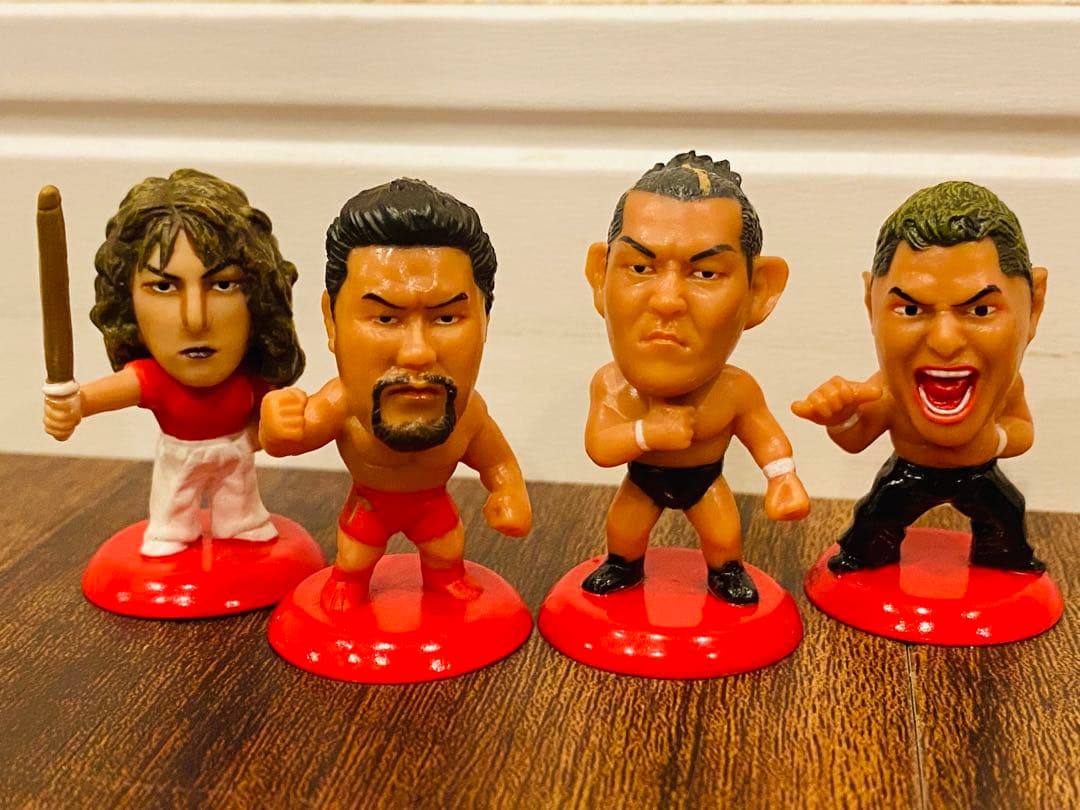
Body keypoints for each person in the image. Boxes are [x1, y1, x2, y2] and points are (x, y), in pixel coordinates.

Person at [259, 177, 531, 612]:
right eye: (386, 319)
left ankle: (446, 579)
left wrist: (509, 493)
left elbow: (497, 462)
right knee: (355, 555)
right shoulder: (342, 404)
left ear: (485, 320)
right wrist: (278, 423)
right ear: (331, 320)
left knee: (446, 549)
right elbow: (291, 439)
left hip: (433, 505)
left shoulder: (469, 415)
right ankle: (349, 582)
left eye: (446, 318)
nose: (417, 353)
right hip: (370, 504)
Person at [582, 152, 809, 605]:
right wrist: (647, 433)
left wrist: (783, 478)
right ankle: (622, 565)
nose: (667, 300)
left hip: (705, 480)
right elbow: (600, 448)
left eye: (705, 273)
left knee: (723, 534)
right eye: (640, 268)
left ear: (758, 291)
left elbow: (766, 437)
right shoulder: (612, 385)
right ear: (599, 276)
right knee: (624, 529)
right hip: (643, 479)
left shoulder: (735, 391)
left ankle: (726, 571)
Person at [42, 169, 304, 557]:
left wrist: (278, 426)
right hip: (179, 459)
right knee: (174, 505)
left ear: (259, 295)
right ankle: (170, 530)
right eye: (164, 286)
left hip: (235, 455)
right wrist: (73, 405)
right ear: (127, 301)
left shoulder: (252, 377)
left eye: (223, 284)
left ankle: (241, 522)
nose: (195, 319)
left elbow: (277, 418)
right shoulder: (155, 379)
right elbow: (96, 396)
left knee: (240, 502)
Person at [793, 180, 1048, 573]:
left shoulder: (1006, 386)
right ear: (871, 304)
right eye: (911, 310)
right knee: (876, 514)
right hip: (910, 473)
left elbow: (1022, 432)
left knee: (1006, 511)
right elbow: (857, 439)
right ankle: (861, 556)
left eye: (980, 311)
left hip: (978, 474)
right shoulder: (888, 386)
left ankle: (1006, 558)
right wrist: (841, 417)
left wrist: (993, 440)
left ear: (1034, 307)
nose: (944, 341)